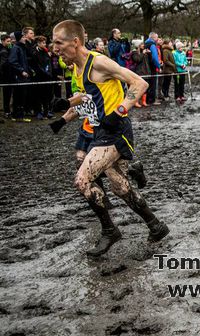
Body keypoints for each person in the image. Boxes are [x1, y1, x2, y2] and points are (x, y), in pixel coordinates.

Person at [51, 19, 169, 256]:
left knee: (82, 179)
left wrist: (120, 110)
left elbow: (139, 83)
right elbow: (88, 97)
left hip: (116, 131)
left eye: (58, 42)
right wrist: (66, 109)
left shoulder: (100, 62)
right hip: (99, 132)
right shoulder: (76, 67)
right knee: (119, 186)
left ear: (75, 42)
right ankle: (156, 225)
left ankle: (109, 230)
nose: (55, 48)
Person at [8, 30, 32, 122]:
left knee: (22, 96)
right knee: (18, 96)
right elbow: (12, 61)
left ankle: (19, 115)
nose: (25, 38)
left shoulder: (22, 48)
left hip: (23, 78)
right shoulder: (16, 48)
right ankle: (18, 116)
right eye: (23, 37)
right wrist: (21, 71)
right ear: (18, 39)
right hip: (18, 78)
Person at [31, 35, 53, 119]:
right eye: (43, 43)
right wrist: (45, 73)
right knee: (38, 95)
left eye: (45, 43)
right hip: (39, 77)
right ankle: (38, 112)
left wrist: (49, 73)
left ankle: (46, 112)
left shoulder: (45, 52)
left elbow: (48, 63)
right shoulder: (34, 52)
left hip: (47, 77)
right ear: (38, 43)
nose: (45, 44)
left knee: (46, 95)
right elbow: (37, 65)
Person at [0, 34, 13, 118]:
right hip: (4, 76)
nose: (9, 43)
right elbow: (3, 64)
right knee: (6, 93)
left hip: (7, 75)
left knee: (8, 93)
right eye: (8, 41)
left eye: (10, 41)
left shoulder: (8, 49)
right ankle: (6, 111)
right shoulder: (3, 51)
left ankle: (7, 110)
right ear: (3, 41)